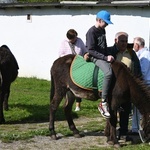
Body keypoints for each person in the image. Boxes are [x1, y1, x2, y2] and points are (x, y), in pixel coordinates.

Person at [107, 32, 142, 141]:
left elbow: (137, 68)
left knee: (126, 110)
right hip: (113, 88)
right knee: (112, 110)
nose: (124, 43)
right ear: (115, 41)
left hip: (127, 88)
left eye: (126, 41)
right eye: (122, 41)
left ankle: (123, 132)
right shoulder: (110, 51)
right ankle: (110, 133)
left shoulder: (131, 53)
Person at [86, 10, 114, 118]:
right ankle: (103, 103)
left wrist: (109, 55)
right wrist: (105, 57)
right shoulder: (91, 32)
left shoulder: (103, 30)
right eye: (105, 22)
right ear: (99, 20)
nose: (107, 24)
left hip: (103, 56)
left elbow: (104, 46)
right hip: (95, 57)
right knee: (108, 73)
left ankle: (112, 99)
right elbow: (91, 50)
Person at [59, 29, 88, 111]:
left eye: (76, 37)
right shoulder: (64, 42)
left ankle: (78, 105)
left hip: (78, 65)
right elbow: (60, 54)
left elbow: (84, 51)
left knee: (78, 85)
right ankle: (67, 102)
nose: (75, 39)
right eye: (73, 38)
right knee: (68, 86)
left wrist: (85, 55)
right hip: (68, 66)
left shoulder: (79, 41)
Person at [130, 37, 150, 134]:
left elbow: (143, 71)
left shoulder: (144, 56)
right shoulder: (144, 54)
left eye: (133, 45)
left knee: (138, 108)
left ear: (137, 45)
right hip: (146, 83)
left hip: (145, 84)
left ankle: (135, 128)